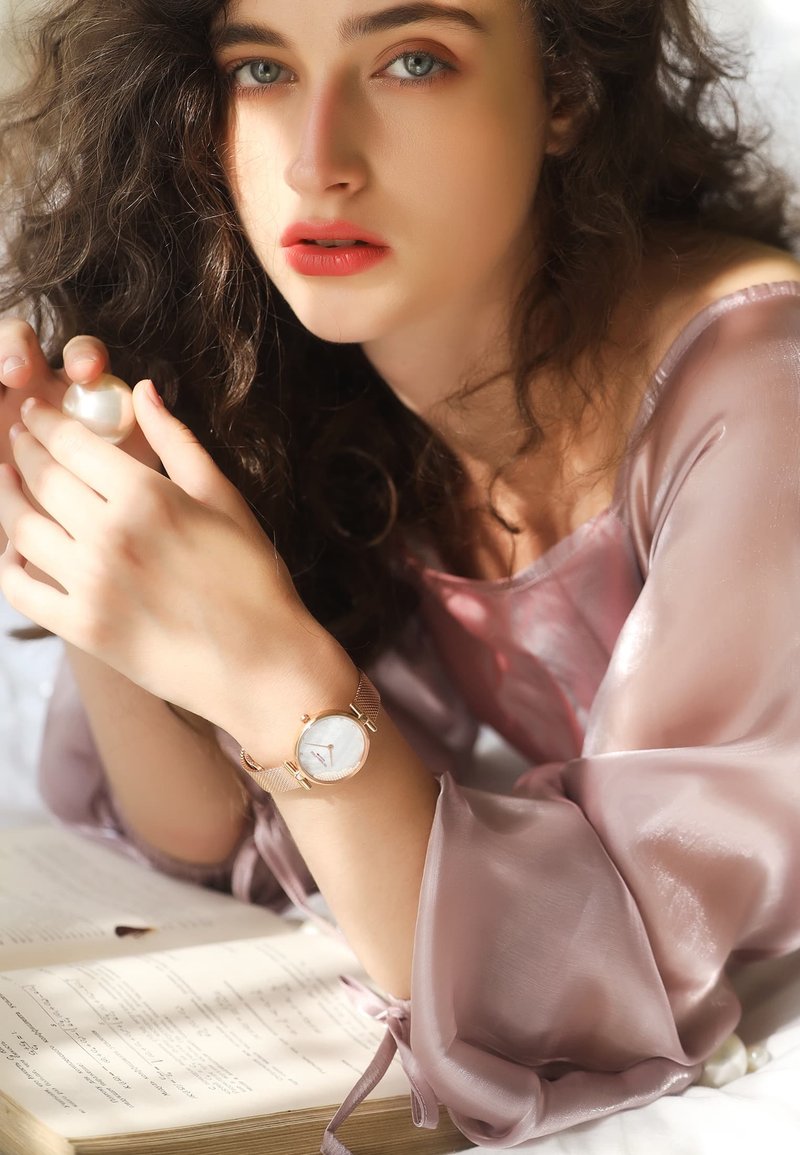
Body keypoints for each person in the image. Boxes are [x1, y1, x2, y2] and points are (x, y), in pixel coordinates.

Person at [1, 0, 800, 1149]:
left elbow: (601, 988)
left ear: (565, 92)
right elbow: (206, 839)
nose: (319, 159)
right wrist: (86, 546)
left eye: (412, 60)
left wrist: (288, 685)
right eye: (263, 70)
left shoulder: (759, 390)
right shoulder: (357, 379)